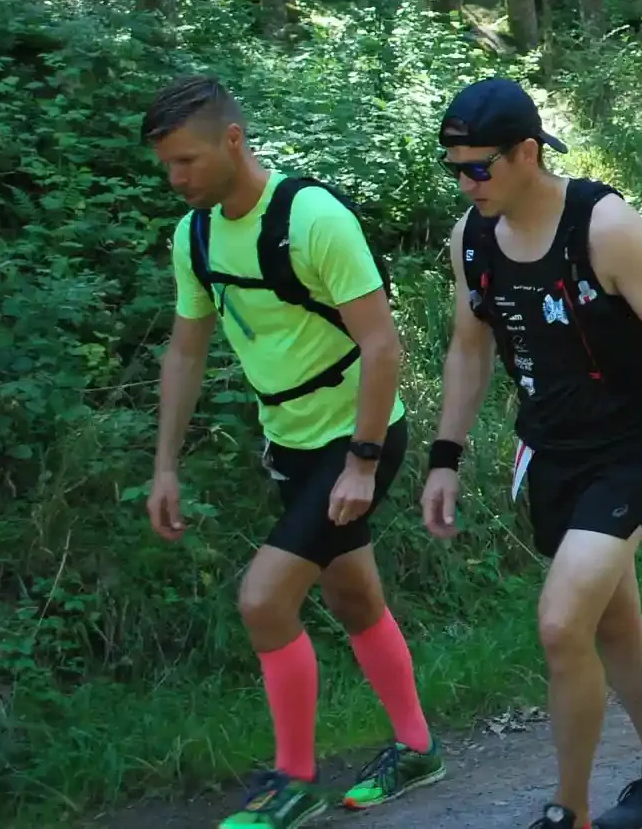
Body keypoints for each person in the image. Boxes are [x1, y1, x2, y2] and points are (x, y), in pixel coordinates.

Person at [142, 76, 440, 829]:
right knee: (351, 595)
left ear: (232, 140)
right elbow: (185, 352)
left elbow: (383, 345)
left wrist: (364, 461)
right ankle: (416, 747)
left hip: (359, 435)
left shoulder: (311, 218)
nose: (176, 179)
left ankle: (294, 780)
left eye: (186, 161)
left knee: (263, 598)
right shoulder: (197, 235)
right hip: (291, 441)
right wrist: (165, 464)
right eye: (166, 166)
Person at [426, 78, 642, 829]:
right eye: (455, 168)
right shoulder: (472, 238)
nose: (468, 183)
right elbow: (469, 350)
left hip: (629, 447)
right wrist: (445, 455)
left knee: (562, 622)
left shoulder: (604, 224)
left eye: (479, 167)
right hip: (551, 449)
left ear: (528, 151)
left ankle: (571, 810)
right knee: (615, 620)